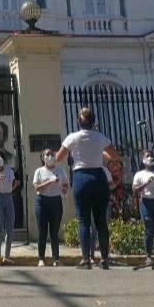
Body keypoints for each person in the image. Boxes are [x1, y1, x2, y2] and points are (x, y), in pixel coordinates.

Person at [56, 107, 121, 270]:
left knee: (84, 220)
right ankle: (104, 258)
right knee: (101, 221)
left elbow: (58, 157)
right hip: (98, 177)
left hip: (81, 177)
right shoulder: (100, 137)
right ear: (94, 122)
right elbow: (114, 155)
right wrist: (98, 153)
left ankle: (86, 259)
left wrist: (76, 153)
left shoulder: (72, 137)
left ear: (79, 122)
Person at [32, 148, 68, 267]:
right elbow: (36, 188)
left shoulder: (60, 170)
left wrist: (61, 187)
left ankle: (55, 258)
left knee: (54, 231)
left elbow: (65, 187)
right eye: (47, 154)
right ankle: (41, 258)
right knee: (42, 232)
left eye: (52, 154)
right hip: (41, 202)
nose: (50, 156)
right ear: (42, 158)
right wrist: (49, 182)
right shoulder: (39, 171)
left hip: (56, 201)